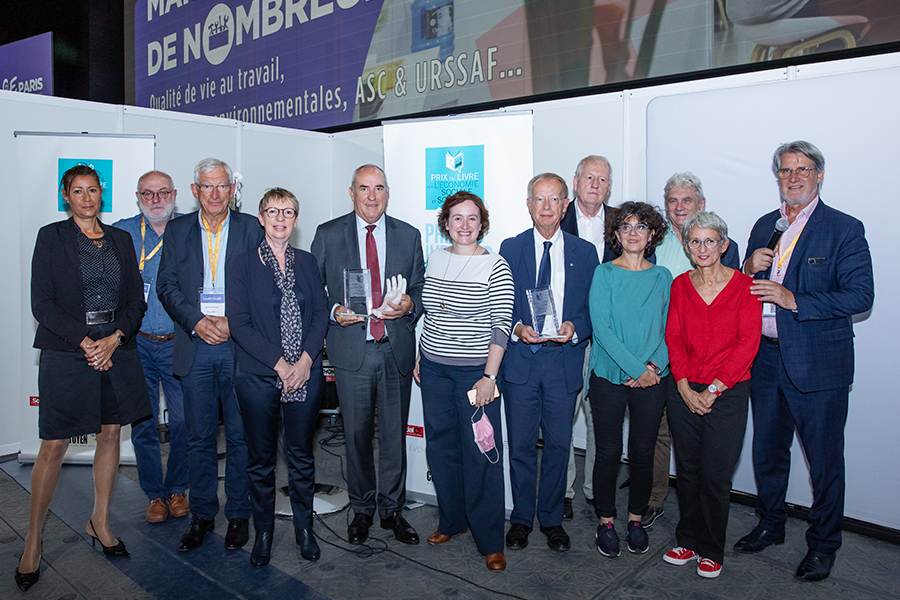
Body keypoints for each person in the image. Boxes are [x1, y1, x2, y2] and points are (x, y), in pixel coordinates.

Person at [735, 141, 874, 582]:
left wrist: (794, 299)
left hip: (819, 364)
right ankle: (771, 524)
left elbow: (860, 295)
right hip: (766, 359)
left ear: (819, 175)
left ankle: (824, 545)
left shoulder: (844, 229)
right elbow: (744, 291)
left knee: (824, 461)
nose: (794, 178)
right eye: (786, 171)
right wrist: (745, 267)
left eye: (804, 169)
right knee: (768, 452)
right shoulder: (764, 225)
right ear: (777, 176)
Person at [17, 164, 150, 592]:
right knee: (54, 444)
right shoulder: (50, 237)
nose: (87, 198)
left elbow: (135, 299)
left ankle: (100, 522)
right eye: (78, 191)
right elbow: (43, 302)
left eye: (93, 190)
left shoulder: (121, 239)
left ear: (101, 195)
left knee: (111, 434)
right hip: (68, 350)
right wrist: (85, 342)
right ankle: (33, 541)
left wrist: (113, 338)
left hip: (116, 349)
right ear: (66, 196)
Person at [310, 164, 425, 546]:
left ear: (387, 193)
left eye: (379, 188)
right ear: (351, 192)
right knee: (356, 436)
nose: (372, 196)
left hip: (394, 350)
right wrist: (332, 311)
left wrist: (410, 303)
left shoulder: (408, 235)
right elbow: (314, 291)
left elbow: (422, 288)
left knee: (394, 437)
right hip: (350, 350)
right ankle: (362, 510)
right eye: (364, 188)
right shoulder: (328, 234)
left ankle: (392, 511)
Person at [157, 157, 263, 552]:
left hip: (240, 348)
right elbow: (166, 285)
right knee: (199, 437)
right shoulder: (179, 229)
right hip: (196, 344)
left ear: (232, 191)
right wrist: (197, 321)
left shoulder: (252, 227)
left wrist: (234, 322)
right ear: (194, 191)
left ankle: (238, 514)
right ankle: (202, 514)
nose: (216, 194)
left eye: (223, 186)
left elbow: (263, 284)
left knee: (240, 436)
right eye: (208, 186)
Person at [414, 191, 514, 572]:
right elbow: (432, 315)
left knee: (482, 453)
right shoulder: (436, 259)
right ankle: (452, 521)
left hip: (475, 374)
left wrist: (490, 377)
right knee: (442, 448)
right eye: (457, 218)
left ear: (482, 223)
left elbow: (501, 326)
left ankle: (490, 540)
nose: (465, 225)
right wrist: (422, 355)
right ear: (446, 223)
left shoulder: (495, 266)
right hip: (436, 370)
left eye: (472, 218)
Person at [228, 188, 328, 567]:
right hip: (258, 377)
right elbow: (239, 323)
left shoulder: (307, 261)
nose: (280, 218)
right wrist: (280, 365)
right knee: (261, 460)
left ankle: (305, 530)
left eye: (287, 212)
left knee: (302, 456)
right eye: (272, 211)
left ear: (296, 219)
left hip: (306, 373)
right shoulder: (241, 265)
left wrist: (303, 363)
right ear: (261, 218)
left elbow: (319, 314)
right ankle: (264, 534)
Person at [499, 173, 599, 553]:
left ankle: (553, 519)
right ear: (528, 204)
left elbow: (593, 311)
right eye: (539, 199)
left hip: (562, 362)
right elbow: (499, 305)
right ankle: (522, 517)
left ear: (565, 205)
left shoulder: (584, 253)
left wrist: (575, 328)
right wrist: (517, 327)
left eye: (554, 200)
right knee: (521, 445)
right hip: (522, 364)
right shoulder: (510, 248)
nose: (546, 207)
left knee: (559, 446)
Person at [663, 211, 761, 579]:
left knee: (715, 475)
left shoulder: (745, 287)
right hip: (685, 390)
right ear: (686, 246)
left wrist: (715, 388)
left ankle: (711, 549)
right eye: (694, 241)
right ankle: (687, 540)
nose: (702, 248)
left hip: (729, 392)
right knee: (687, 471)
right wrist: (685, 386)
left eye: (710, 241)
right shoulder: (679, 285)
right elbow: (673, 338)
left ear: (723, 244)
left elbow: (747, 344)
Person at [644, 172, 741, 529]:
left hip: (712, 366)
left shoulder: (721, 247)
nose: (679, 206)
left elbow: (736, 323)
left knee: (709, 459)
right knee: (661, 434)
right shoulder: (653, 242)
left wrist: (713, 384)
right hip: (663, 350)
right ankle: (655, 499)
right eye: (673, 200)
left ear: (701, 203)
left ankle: (706, 531)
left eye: (687, 200)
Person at [589, 201, 670, 558]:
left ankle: (635, 519)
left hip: (654, 378)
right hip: (609, 377)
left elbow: (672, 328)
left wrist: (652, 368)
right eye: (626, 226)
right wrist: (636, 369)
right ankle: (606, 521)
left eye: (641, 226)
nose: (633, 232)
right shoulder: (604, 274)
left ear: (652, 234)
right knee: (608, 452)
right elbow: (602, 330)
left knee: (642, 452)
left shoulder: (663, 277)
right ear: (616, 235)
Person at [113, 171, 189, 524]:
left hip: (179, 343)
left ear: (174, 194)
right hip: (136, 344)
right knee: (142, 423)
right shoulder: (121, 233)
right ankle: (155, 495)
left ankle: (177, 488)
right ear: (138, 196)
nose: (155, 200)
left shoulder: (190, 229)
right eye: (148, 193)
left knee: (185, 420)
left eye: (162, 193)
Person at [559, 155, 617, 518]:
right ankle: (562, 490)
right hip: (571, 334)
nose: (596, 184)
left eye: (603, 179)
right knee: (565, 413)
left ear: (610, 186)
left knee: (603, 417)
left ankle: (598, 488)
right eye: (590, 177)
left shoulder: (623, 223)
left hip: (610, 336)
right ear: (576, 181)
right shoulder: (555, 217)